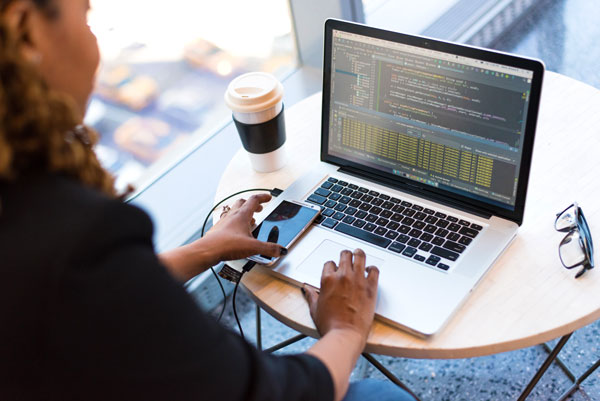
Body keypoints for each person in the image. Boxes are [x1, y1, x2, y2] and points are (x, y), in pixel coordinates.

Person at [0, 1, 416, 400]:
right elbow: (273, 392)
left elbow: (85, 295)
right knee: (383, 396)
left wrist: (204, 249)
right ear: (27, 32)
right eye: (86, 15)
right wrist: (344, 329)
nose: (94, 42)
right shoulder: (76, 235)